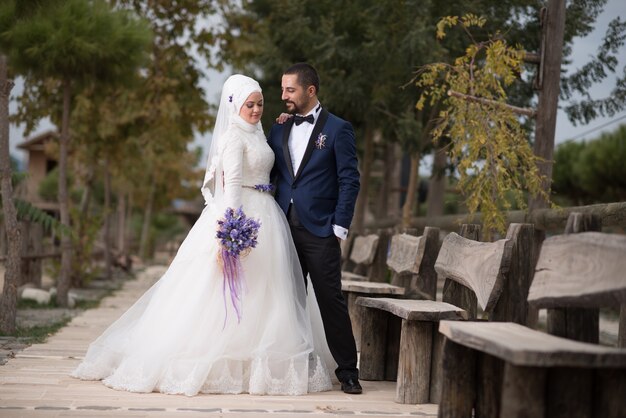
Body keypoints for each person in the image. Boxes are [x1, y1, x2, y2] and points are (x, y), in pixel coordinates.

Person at [71, 74, 334, 396]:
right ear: (234, 105)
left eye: (260, 104)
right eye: (249, 105)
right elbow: (233, 183)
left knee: (268, 291)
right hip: (243, 217)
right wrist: (233, 234)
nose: (255, 110)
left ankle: (260, 363)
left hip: (268, 214)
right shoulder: (233, 137)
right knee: (234, 291)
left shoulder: (258, 133)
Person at [268, 63, 362, 394]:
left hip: (321, 229)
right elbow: (272, 175)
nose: (283, 96)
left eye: (289, 90)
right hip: (281, 227)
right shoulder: (278, 129)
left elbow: (349, 179)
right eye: (282, 89)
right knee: (288, 299)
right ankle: (296, 365)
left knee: (329, 299)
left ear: (310, 91)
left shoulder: (338, 129)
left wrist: (340, 225)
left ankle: (348, 370)